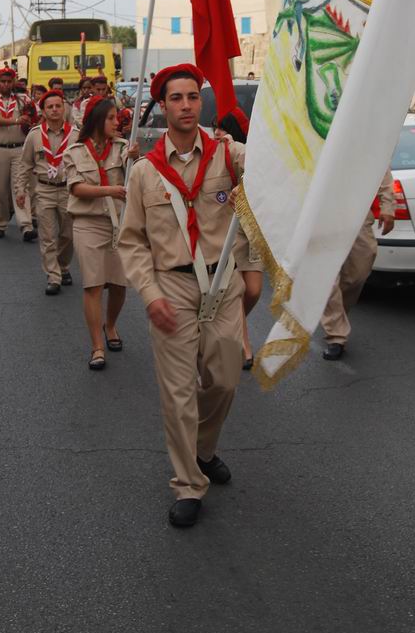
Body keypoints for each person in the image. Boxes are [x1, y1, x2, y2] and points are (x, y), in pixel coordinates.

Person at [118, 63, 246, 528]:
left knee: (226, 377)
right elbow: (130, 241)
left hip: (221, 282)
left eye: (193, 96)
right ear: (164, 106)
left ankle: (204, 448)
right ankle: (188, 483)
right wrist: (149, 294)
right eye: (177, 98)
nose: (187, 105)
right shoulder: (143, 174)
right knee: (177, 394)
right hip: (170, 283)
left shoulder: (227, 155)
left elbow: (275, 171)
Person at [63, 96, 135, 370]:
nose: (117, 123)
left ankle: (111, 325)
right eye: (111, 118)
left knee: (119, 282)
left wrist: (135, 159)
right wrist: (110, 191)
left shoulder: (124, 148)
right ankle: (96, 346)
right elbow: (77, 188)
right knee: (93, 284)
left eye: (117, 118)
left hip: (119, 223)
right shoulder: (76, 151)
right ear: (97, 120)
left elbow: (136, 178)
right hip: (88, 222)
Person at [320, 171, 396, 360]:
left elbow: (380, 167)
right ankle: (336, 335)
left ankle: (336, 315)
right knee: (327, 277)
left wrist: (388, 206)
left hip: (357, 213)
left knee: (358, 274)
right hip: (319, 215)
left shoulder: (361, 141)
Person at [16, 90, 77, 295]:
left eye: (58, 106)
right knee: (48, 236)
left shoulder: (75, 135)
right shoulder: (34, 135)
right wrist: (20, 189)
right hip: (44, 190)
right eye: (50, 107)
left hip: (69, 190)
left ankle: (63, 265)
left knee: (68, 234)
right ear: (43, 111)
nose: (54, 110)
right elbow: (24, 164)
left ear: (64, 108)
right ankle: (53, 276)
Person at [213, 112, 261, 370]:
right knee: (236, 288)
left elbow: (263, 177)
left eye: (222, 129)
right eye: (214, 129)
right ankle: (243, 342)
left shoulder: (243, 152)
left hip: (252, 226)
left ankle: (230, 323)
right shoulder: (217, 154)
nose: (217, 133)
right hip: (227, 227)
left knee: (253, 290)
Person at [0, 68, 36, 241]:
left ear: (13, 82)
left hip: (19, 148)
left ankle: (26, 225)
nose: (6, 84)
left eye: (9, 81)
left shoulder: (23, 100)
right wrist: (16, 120)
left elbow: (35, 115)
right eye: (3, 81)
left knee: (21, 187)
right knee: (1, 190)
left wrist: (31, 119)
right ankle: (1, 223)